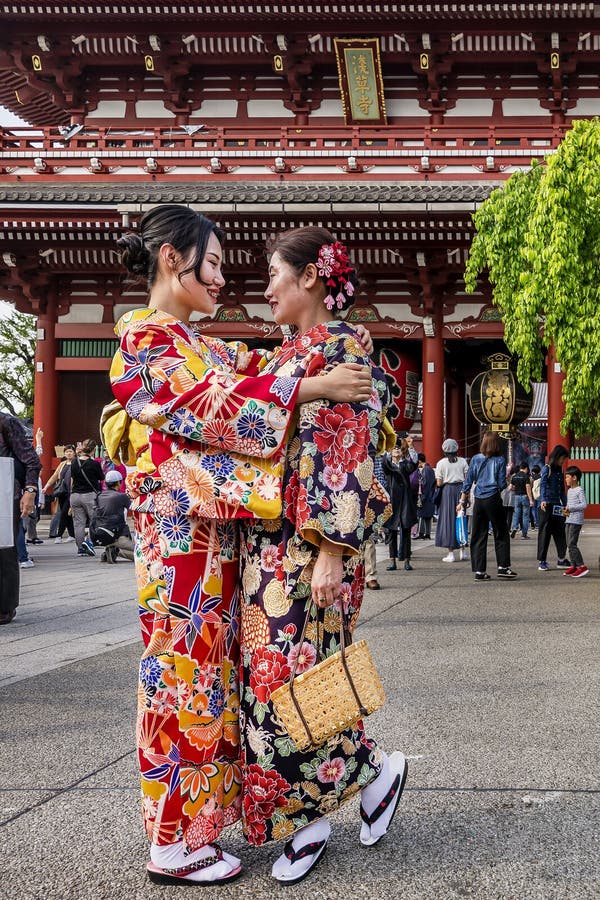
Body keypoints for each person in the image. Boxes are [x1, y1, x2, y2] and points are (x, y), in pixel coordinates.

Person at [109, 204, 374, 886]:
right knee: (179, 677)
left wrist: (331, 358)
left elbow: (259, 372)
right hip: (179, 539)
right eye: (217, 263)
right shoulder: (144, 339)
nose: (228, 281)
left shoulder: (200, 344)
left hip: (220, 539)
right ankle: (170, 842)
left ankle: (222, 822)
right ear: (175, 259)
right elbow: (214, 406)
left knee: (223, 681)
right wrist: (315, 384)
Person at [238, 226, 406, 886]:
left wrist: (336, 547)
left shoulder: (343, 347)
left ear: (310, 276)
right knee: (284, 676)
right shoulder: (290, 354)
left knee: (293, 677)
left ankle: (309, 818)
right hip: (270, 544)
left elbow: (348, 451)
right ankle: (372, 778)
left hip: (313, 544)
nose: (267, 287)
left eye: (275, 274)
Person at [459, 431, 517, 581]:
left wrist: (462, 500)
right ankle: (503, 567)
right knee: (501, 532)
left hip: (479, 499)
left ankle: (479, 570)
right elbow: (501, 484)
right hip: (493, 498)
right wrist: (507, 481)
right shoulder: (500, 460)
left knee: (478, 534)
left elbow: (468, 481)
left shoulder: (476, 459)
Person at [0, 413, 41, 624]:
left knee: (4, 548)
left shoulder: (5, 422)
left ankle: (5, 606)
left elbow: (32, 461)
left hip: (5, 494)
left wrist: (30, 491)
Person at [382, 439, 418, 571]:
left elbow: (413, 464)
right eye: (393, 449)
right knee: (391, 531)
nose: (396, 450)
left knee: (406, 530)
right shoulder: (389, 465)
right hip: (392, 500)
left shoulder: (405, 465)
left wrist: (410, 446)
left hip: (405, 500)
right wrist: (387, 446)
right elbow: (384, 463)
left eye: (398, 448)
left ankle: (407, 560)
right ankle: (392, 560)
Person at [537, 444, 571, 571]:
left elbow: (562, 489)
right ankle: (542, 561)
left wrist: (566, 503)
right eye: (563, 458)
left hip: (558, 506)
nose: (563, 461)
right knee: (545, 533)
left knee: (561, 532)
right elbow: (543, 484)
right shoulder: (547, 468)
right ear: (557, 456)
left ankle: (561, 559)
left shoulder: (561, 470)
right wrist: (543, 499)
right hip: (546, 506)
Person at [434, 438, 468, 562]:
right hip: (461, 490)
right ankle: (463, 551)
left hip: (447, 491)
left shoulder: (441, 463)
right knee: (461, 518)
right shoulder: (463, 461)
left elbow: (439, 482)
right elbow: (466, 478)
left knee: (448, 520)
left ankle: (451, 553)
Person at [70, 439, 104, 557]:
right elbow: (101, 477)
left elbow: (72, 479)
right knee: (94, 521)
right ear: (94, 450)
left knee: (79, 523)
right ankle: (88, 542)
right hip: (89, 495)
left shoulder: (74, 462)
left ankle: (80, 548)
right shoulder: (94, 464)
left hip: (75, 495)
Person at [94, 469, 134, 562]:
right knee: (143, 555)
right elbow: (133, 509)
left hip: (101, 534)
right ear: (119, 483)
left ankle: (108, 551)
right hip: (118, 535)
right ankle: (117, 551)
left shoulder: (98, 496)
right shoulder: (121, 496)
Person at [43, 445, 76, 543]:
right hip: (62, 493)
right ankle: (72, 535)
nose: (68, 453)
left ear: (74, 453)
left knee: (64, 513)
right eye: (66, 452)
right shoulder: (62, 464)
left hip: (72, 492)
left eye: (70, 451)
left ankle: (59, 535)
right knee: (67, 514)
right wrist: (46, 487)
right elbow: (54, 476)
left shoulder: (76, 463)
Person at [563, 466, 588, 578]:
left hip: (576, 521)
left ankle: (581, 567)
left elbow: (584, 505)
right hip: (569, 519)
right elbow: (570, 506)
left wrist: (571, 508)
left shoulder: (579, 490)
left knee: (572, 544)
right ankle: (573, 566)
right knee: (568, 543)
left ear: (574, 477)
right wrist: (565, 511)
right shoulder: (569, 491)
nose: (566, 479)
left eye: (567, 477)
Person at [510, 461, 534, 539]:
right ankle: (524, 534)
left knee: (516, 514)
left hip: (516, 497)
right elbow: (528, 488)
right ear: (526, 468)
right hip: (524, 497)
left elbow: (510, 487)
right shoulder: (526, 477)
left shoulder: (514, 476)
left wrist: (516, 489)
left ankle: (514, 528)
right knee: (525, 516)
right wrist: (530, 500)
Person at [415, 452, 436, 539]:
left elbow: (425, 484)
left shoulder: (426, 470)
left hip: (426, 496)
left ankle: (421, 533)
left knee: (421, 515)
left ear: (419, 461)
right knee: (427, 516)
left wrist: (422, 496)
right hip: (430, 495)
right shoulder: (430, 469)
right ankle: (427, 533)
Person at [530, 464, 542, 529]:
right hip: (539, 494)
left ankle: (536, 521)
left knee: (534, 509)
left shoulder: (532, 477)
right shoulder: (541, 477)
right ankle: (538, 522)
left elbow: (530, 486)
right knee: (538, 508)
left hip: (533, 494)